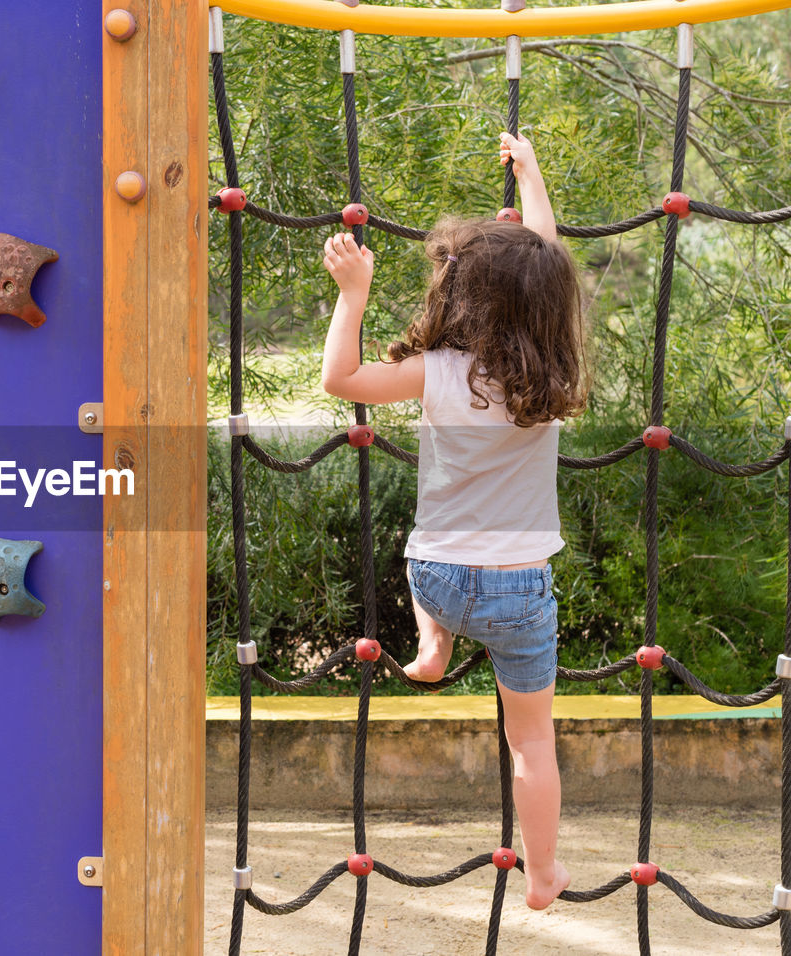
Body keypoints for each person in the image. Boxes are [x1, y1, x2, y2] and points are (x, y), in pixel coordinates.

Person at [319, 131, 587, 911]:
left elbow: (341, 378)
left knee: (420, 546)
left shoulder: (439, 374)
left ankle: (432, 645)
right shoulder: (553, 372)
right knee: (531, 741)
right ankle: (542, 875)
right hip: (520, 592)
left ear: (460, 298)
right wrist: (535, 172)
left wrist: (353, 295)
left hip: (436, 577)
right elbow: (545, 258)